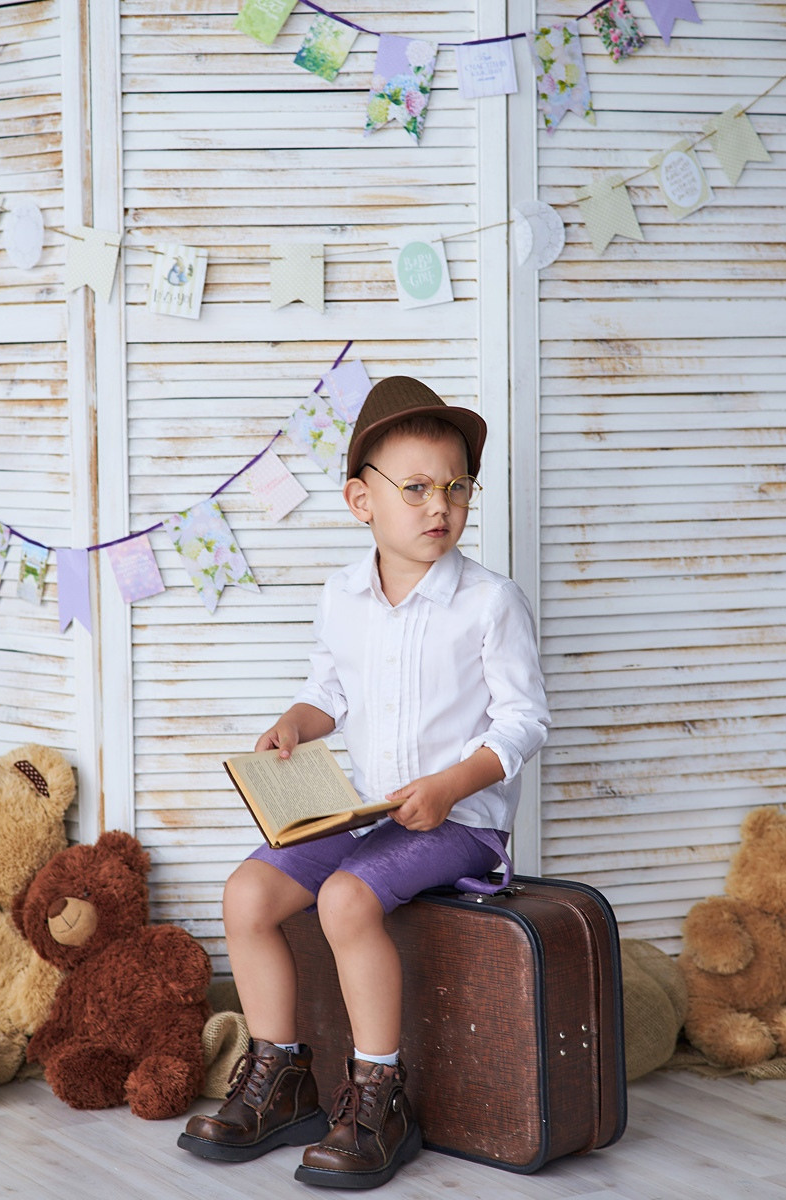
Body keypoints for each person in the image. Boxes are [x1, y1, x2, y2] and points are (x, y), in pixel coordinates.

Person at [178, 376, 550, 1189]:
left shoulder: (489, 602)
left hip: (460, 820)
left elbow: (523, 723)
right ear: (360, 500)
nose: (437, 506)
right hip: (372, 815)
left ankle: (380, 1096)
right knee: (246, 894)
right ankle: (281, 1079)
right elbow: (330, 692)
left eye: (455, 487)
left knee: (345, 900)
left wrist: (452, 785)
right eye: (414, 488)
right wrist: (295, 724)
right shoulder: (342, 594)